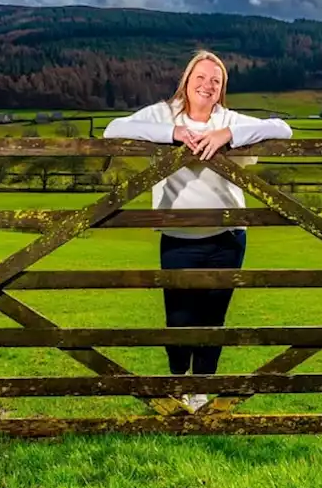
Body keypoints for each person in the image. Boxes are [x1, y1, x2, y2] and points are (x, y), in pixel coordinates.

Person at [103, 51, 293, 413]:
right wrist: (172, 133)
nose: (207, 86)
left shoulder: (228, 118)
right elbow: (113, 128)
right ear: (187, 81)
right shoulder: (162, 113)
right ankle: (178, 386)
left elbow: (282, 128)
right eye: (200, 78)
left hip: (228, 237)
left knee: (213, 319)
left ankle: (202, 391)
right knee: (178, 319)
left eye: (215, 81)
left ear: (222, 89)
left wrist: (229, 134)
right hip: (178, 238)